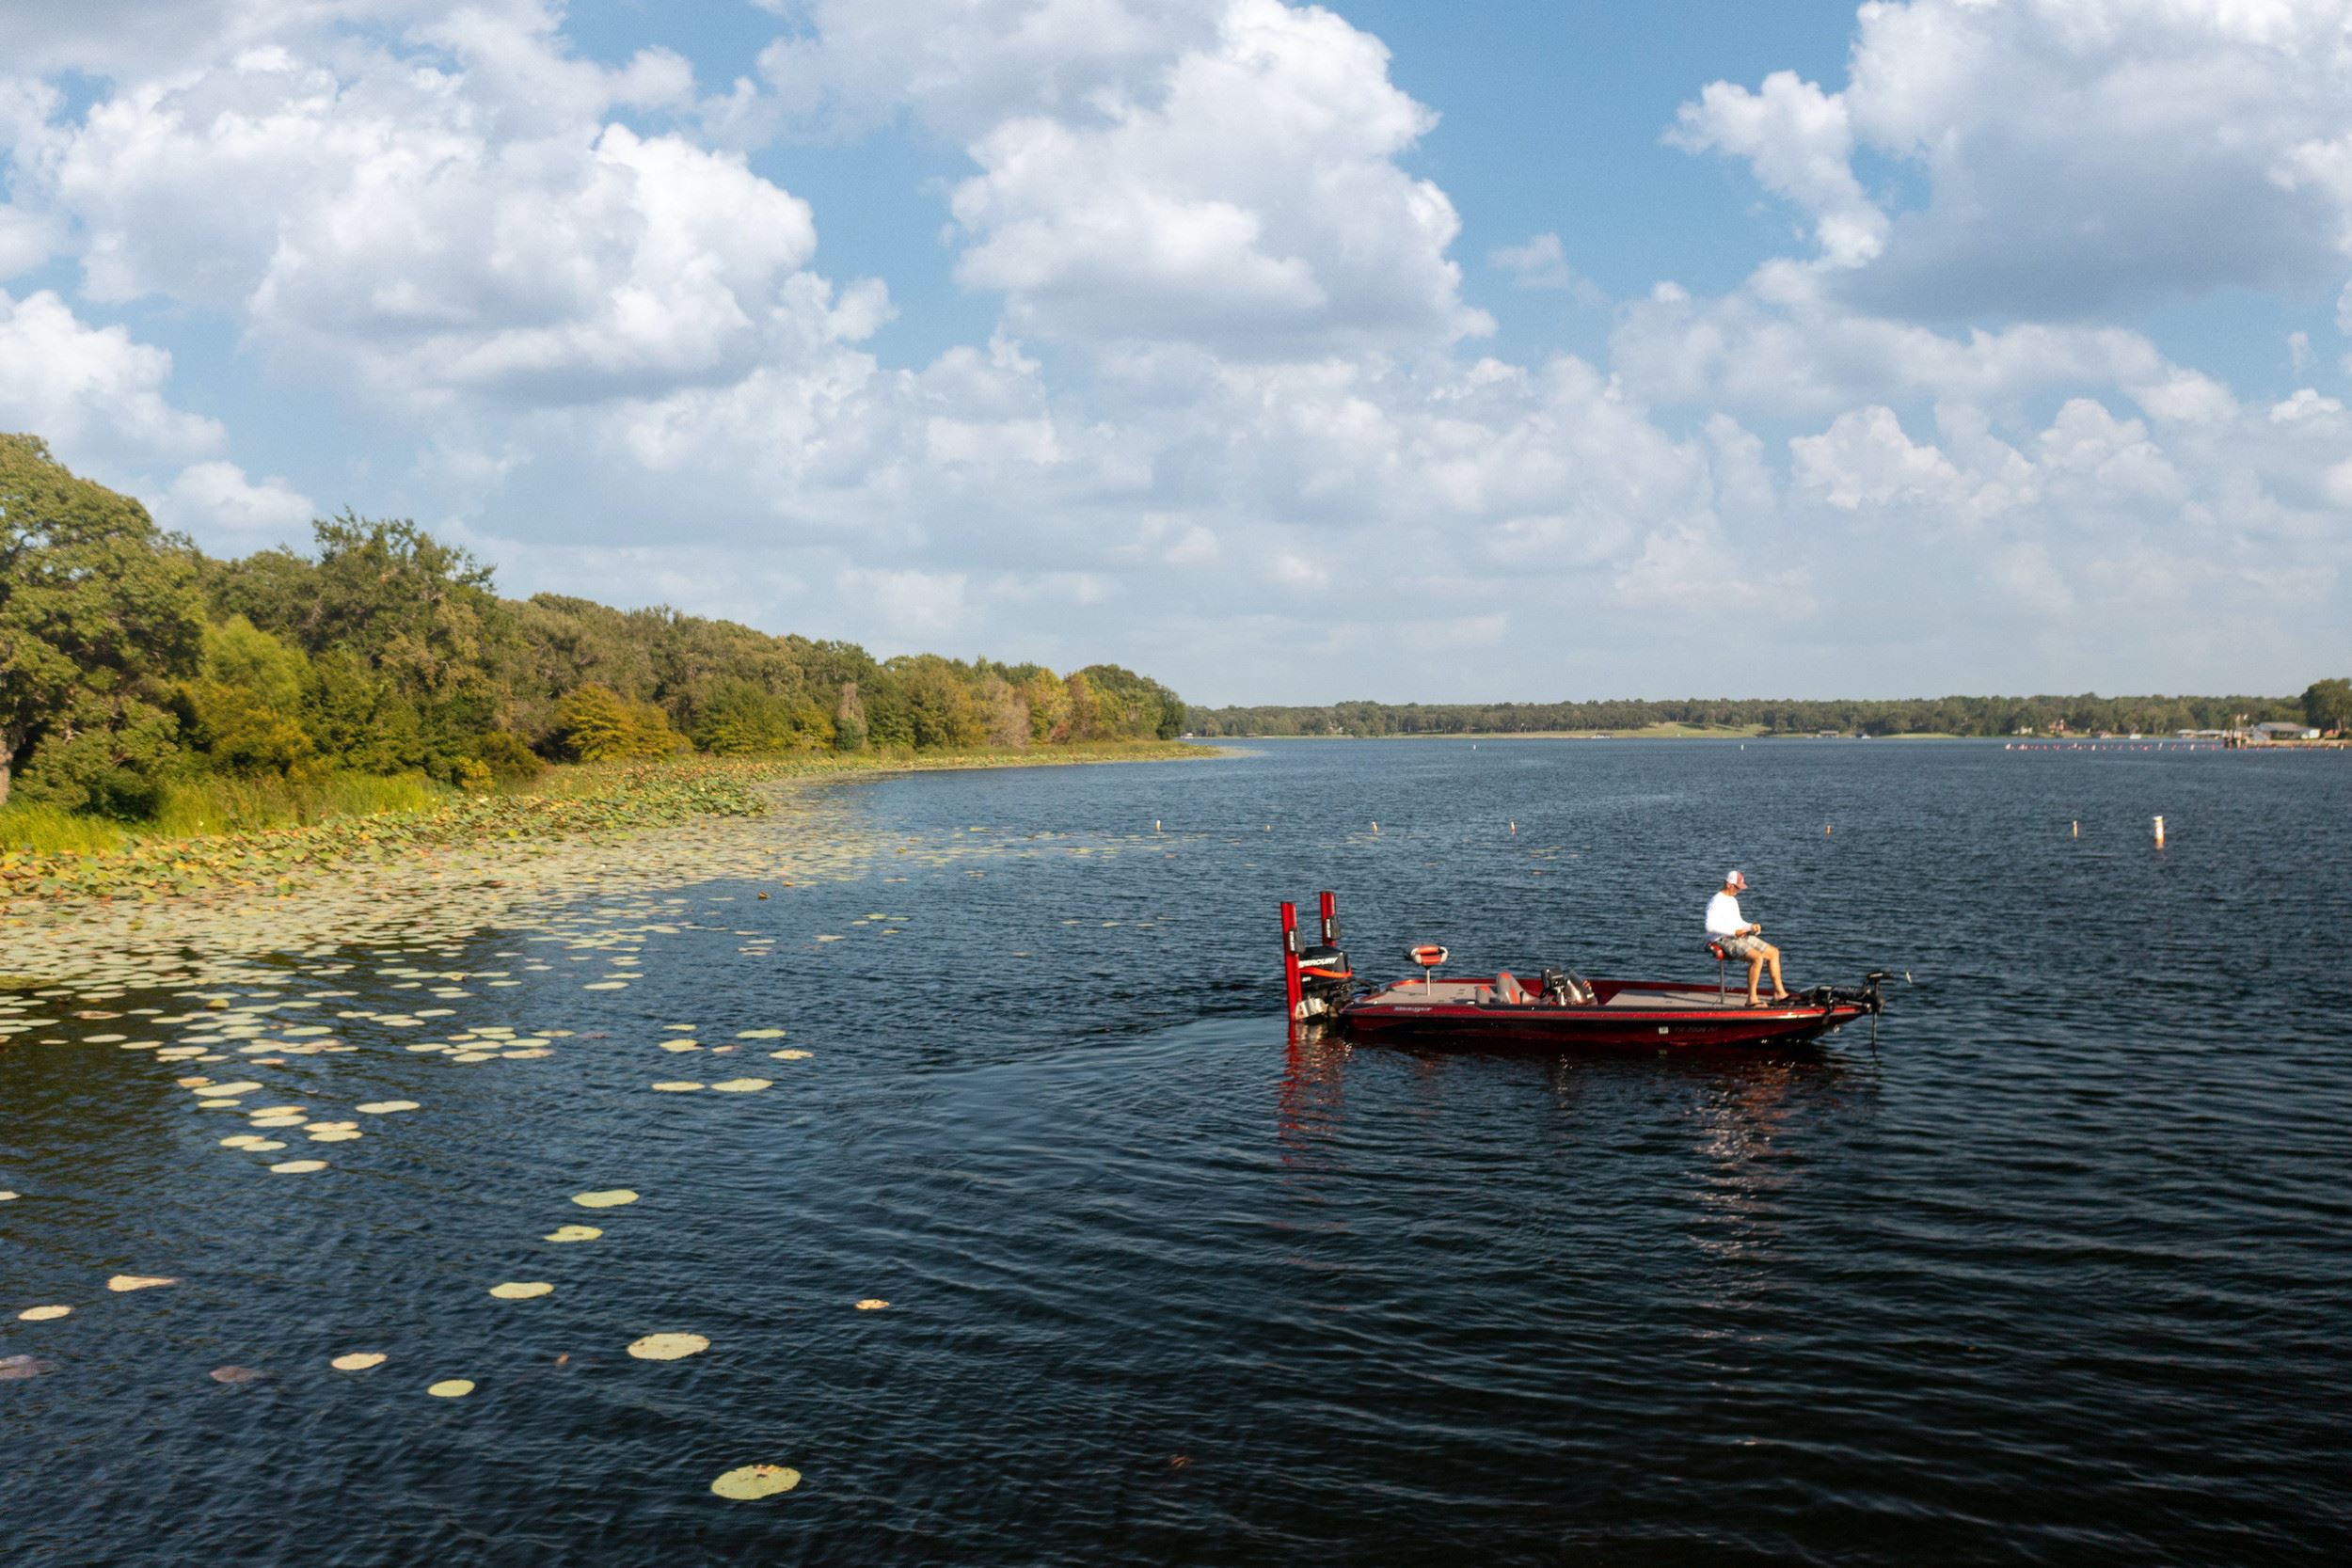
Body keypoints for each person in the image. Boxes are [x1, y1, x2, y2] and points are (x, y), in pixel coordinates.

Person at [1705, 869, 1788, 1006]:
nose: (1739, 891)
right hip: (1722, 939)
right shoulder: (1715, 902)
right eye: (1737, 888)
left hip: (1737, 936)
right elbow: (1709, 927)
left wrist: (1750, 927)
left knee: (1774, 953)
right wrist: (1734, 932)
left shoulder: (1732, 900)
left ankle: (1779, 993)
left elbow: (1739, 922)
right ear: (1729, 885)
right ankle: (1752, 999)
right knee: (1757, 958)